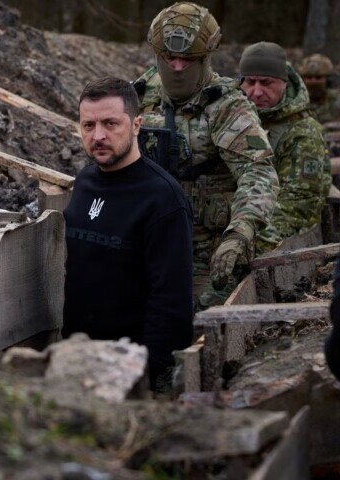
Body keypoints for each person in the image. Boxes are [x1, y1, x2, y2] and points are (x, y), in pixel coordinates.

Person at [134, 2, 279, 309]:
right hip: (146, 241)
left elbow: (258, 172)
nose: (176, 67)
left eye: (187, 59)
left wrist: (240, 232)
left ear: (205, 57)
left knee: (192, 327)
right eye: (169, 58)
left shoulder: (227, 106)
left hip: (206, 251)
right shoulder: (142, 94)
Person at [62, 76, 194, 392]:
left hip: (131, 369)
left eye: (110, 123)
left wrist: (148, 374)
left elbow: (171, 299)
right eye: (88, 125)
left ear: (136, 125)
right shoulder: (84, 183)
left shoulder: (162, 199)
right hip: (77, 359)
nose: (98, 135)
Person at [239, 42, 331, 254]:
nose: (257, 91)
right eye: (250, 82)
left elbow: (299, 204)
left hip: (269, 238)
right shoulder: (232, 120)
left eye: (266, 83)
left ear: (284, 82)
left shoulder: (303, 132)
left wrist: (248, 244)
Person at [297, 53, 340, 124]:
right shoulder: (296, 103)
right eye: (309, 77)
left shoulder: (336, 101)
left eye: (318, 77)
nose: (313, 82)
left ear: (328, 80)